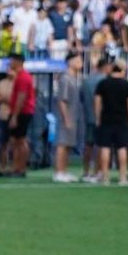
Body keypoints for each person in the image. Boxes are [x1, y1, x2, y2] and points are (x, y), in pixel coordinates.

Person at [94, 60, 128, 185]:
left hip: (106, 119)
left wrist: (97, 118)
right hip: (122, 120)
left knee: (105, 148)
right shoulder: (127, 85)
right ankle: (122, 177)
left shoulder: (102, 83)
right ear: (122, 70)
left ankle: (105, 177)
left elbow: (97, 103)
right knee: (122, 148)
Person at [52, 51, 85, 183]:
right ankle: (58, 171)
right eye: (77, 60)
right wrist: (66, 118)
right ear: (70, 62)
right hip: (66, 117)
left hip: (73, 116)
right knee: (62, 144)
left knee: (68, 145)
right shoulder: (65, 78)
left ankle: (64, 170)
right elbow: (62, 100)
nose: (80, 63)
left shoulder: (74, 78)